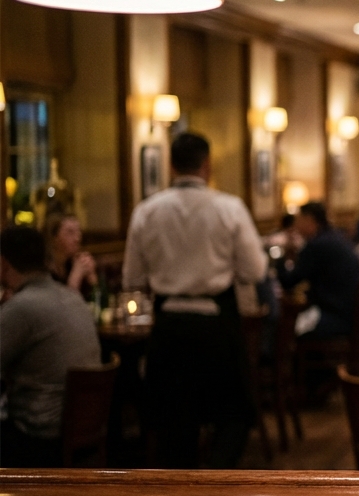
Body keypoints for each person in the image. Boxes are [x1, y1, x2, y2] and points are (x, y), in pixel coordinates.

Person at [123, 132, 267, 468]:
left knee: (173, 423)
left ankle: (183, 489)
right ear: (207, 165)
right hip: (216, 324)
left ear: (171, 165)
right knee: (233, 416)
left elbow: (132, 279)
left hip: (169, 326)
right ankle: (216, 477)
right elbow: (255, 270)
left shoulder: (146, 211)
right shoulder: (229, 208)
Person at [0, 226, 103, 467]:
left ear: (4, 263)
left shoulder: (22, 307)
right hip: (85, 430)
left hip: (39, 438)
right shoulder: (72, 297)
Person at [280, 201, 359, 340]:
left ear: (309, 220)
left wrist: (284, 255)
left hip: (333, 318)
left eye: (299, 220)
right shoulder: (337, 237)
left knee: (284, 327)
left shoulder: (316, 245)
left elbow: (288, 282)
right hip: (351, 314)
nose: (296, 225)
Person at [44, 213, 97, 296]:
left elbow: (97, 298)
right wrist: (76, 274)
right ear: (54, 238)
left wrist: (91, 275)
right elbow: (63, 302)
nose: (77, 239)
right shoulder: (44, 270)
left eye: (78, 232)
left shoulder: (73, 263)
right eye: (70, 233)